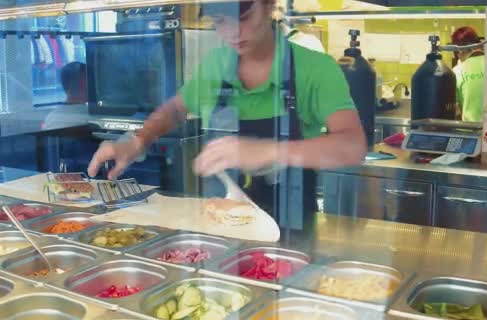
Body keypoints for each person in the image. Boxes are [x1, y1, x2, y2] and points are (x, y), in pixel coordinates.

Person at [87, 0, 366, 231]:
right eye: (220, 21)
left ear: (270, 6)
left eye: (243, 16)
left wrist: (268, 151)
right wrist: (136, 141)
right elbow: (174, 109)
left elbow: (352, 147)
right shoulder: (218, 64)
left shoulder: (314, 68)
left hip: (290, 233)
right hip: (220, 229)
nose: (232, 32)